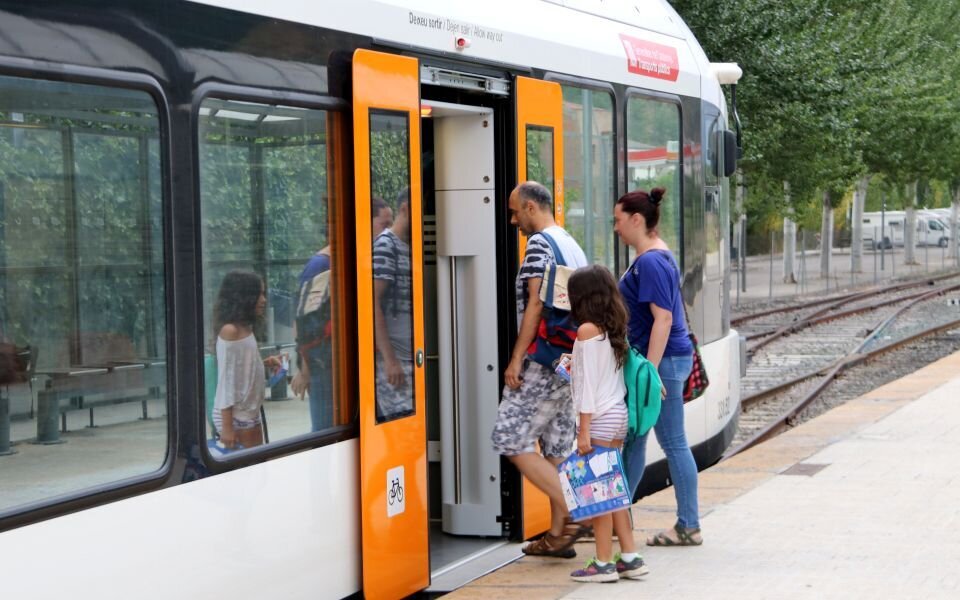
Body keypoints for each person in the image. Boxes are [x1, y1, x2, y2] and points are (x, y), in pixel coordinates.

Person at [490, 181, 589, 557]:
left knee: (509, 438)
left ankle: (575, 509)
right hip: (569, 363)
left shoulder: (538, 245)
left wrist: (517, 358)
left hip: (543, 360)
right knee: (557, 447)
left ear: (531, 207)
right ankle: (558, 537)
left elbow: (535, 304)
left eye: (516, 212)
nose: (514, 220)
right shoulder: (570, 243)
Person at [613, 187, 702, 546]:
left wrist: (648, 373)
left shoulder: (650, 261)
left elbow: (662, 319)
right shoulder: (656, 255)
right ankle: (616, 516)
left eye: (618, 220)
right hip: (662, 358)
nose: (615, 227)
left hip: (660, 361)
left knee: (673, 441)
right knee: (635, 440)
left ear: (637, 219)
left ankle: (688, 525)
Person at [565, 265, 649, 582]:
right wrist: (572, 364)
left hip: (598, 419)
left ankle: (602, 563)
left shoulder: (586, 330)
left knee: (598, 493)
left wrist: (583, 430)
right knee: (615, 491)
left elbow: (587, 388)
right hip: (617, 415)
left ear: (582, 298)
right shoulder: (612, 328)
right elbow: (600, 375)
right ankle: (630, 556)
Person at [212, 270, 283, 449]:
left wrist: (265, 363)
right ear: (243, 297)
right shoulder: (230, 331)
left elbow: (240, 368)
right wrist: (227, 428)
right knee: (251, 468)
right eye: (258, 294)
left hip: (247, 411)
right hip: (236, 416)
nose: (263, 300)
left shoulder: (245, 327)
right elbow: (226, 382)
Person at [372, 190, 413, 421]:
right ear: (406, 209)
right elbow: (372, 302)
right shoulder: (386, 246)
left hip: (410, 358)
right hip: (396, 361)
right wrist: (389, 359)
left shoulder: (409, 246)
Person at [290, 244, 333, 432]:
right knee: (324, 429)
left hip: (331, 362)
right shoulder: (320, 265)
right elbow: (303, 321)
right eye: (383, 224)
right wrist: (304, 368)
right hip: (321, 363)